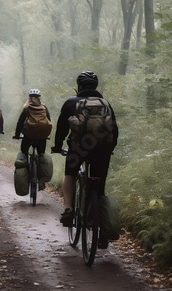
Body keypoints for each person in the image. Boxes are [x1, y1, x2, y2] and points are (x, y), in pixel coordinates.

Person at [51, 71, 118, 245]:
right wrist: (109, 149)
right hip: (102, 150)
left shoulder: (71, 103)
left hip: (79, 149)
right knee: (99, 186)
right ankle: (102, 229)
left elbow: (61, 129)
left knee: (71, 174)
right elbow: (114, 130)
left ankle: (68, 209)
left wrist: (58, 147)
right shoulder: (105, 103)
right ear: (95, 86)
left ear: (79, 86)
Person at [13, 89, 52, 155]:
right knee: (41, 154)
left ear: (29, 98)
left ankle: (25, 163)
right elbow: (48, 121)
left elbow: (20, 122)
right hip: (42, 136)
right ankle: (40, 162)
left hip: (29, 135)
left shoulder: (27, 108)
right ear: (39, 98)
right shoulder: (44, 108)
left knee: (24, 152)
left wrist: (17, 135)